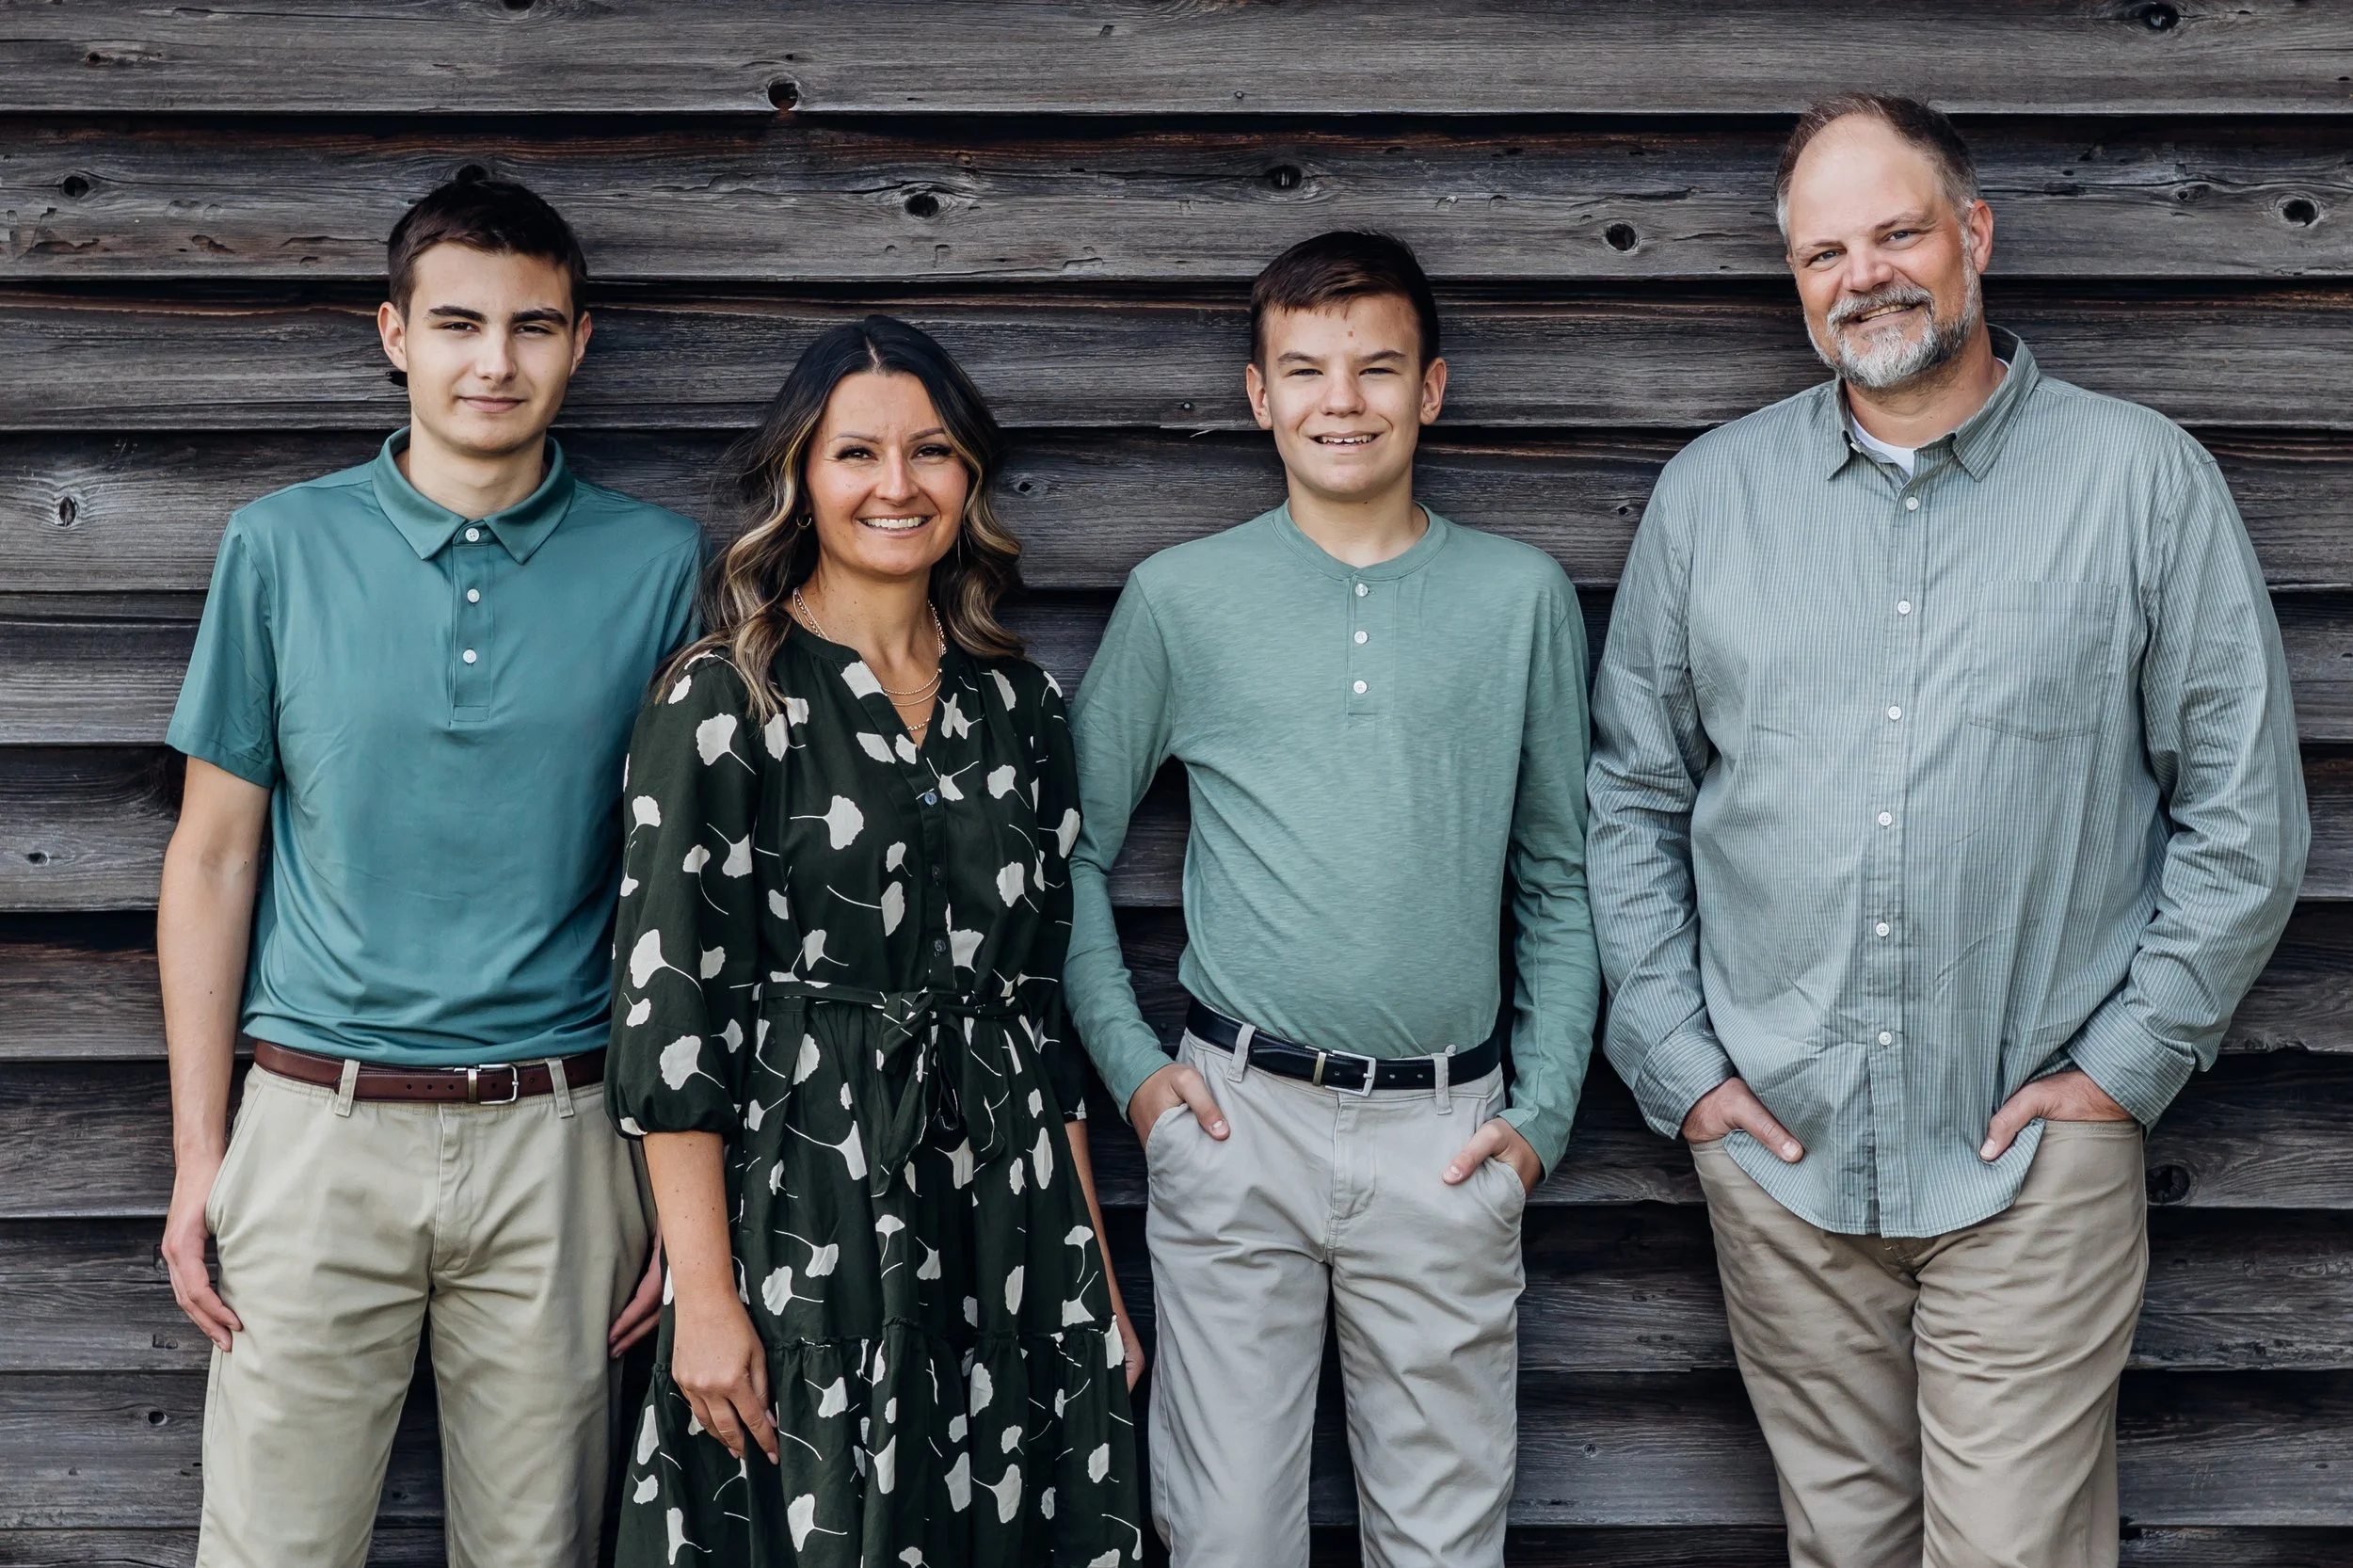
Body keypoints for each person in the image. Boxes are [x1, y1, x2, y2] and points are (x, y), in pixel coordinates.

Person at [1588, 93, 2308, 1568]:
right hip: (1782, 1157)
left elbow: (2245, 814)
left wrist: (2123, 1069)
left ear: (1973, 236)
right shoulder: (1711, 501)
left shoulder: (2141, 484)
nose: (1866, 275)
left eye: (1898, 231)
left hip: (2034, 1162)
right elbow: (1634, 799)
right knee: (1843, 1549)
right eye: (1823, 251)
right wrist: (1685, 1069)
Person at [156, 175, 699, 1567]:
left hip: (561, 1136)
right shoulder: (280, 546)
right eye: (457, 322)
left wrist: (678, 1188)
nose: (493, 360)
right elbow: (214, 856)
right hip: (311, 1127)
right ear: (393, 333)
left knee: (539, 1552)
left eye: (531, 326)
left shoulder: (658, 566)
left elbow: (687, 891)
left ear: (580, 343)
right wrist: (201, 1156)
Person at [1064, 232, 1601, 1568]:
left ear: (1432, 389)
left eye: (1376, 367)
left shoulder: (1520, 597)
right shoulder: (1181, 599)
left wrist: (1537, 1116)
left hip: (1449, 1131)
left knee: (1441, 1540)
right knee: (1228, 1532)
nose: (1340, 399)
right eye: (1304, 369)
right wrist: (1136, 1075)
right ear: (1259, 394)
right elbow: (1067, 849)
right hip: (1235, 1122)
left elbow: (1559, 875)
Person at [604, 314, 1143, 1568]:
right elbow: (669, 1022)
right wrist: (706, 1297)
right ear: (801, 474)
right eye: (857, 454)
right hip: (810, 1202)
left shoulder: (1019, 701)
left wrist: (1094, 1278)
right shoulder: (725, 696)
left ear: (970, 480)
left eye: (932, 452)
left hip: (1008, 1212)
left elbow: (1040, 1014)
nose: (896, 485)